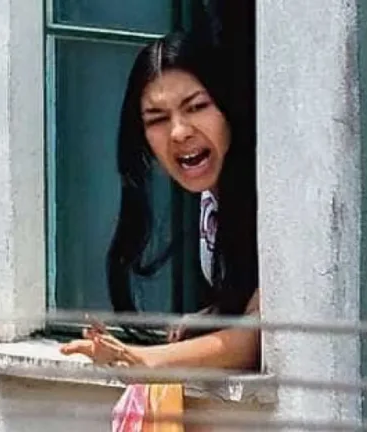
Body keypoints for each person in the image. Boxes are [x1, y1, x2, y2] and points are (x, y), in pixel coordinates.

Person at [59, 30, 259, 372]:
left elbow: (263, 336)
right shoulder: (212, 200)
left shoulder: (273, 198)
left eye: (196, 107)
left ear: (229, 107)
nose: (179, 132)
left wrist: (143, 359)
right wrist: (212, 317)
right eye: (157, 119)